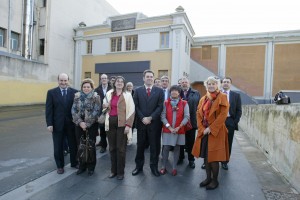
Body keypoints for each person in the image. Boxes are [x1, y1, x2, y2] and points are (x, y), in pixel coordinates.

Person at [192, 76, 229, 190]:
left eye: (213, 84)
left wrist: (211, 128)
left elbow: (223, 115)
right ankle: (208, 178)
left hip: (216, 132)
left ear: (217, 85)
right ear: (206, 85)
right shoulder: (203, 98)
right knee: (206, 157)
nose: (211, 86)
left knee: (214, 157)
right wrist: (202, 128)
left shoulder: (222, 97)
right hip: (204, 131)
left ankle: (215, 180)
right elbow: (198, 113)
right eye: (209, 84)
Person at [132, 69, 164, 177]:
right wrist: (142, 118)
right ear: (143, 78)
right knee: (140, 146)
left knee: (154, 147)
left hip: (154, 124)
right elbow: (135, 106)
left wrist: (150, 118)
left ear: (153, 78)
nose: (149, 78)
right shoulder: (137, 91)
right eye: (147, 77)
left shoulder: (159, 91)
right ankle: (138, 167)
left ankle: (154, 167)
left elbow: (160, 107)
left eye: (151, 77)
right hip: (141, 124)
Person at [45, 73, 78, 174]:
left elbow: (78, 109)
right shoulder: (51, 92)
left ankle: (74, 162)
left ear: (68, 81)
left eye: (65, 80)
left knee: (73, 145)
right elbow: (49, 110)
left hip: (72, 124)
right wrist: (49, 124)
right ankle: (60, 166)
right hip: (57, 125)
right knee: (58, 146)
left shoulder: (75, 92)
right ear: (58, 80)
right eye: (61, 80)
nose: (63, 82)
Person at [103, 76, 135, 180]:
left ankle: (120, 172)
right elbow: (104, 108)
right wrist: (105, 105)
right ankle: (113, 171)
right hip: (110, 123)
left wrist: (128, 125)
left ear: (124, 84)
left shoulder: (128, 95)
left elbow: (132, 112)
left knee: (121, 149)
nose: (120, 83)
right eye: (118, 81)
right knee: (112, 148)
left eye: (122, 82)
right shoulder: (109, 93)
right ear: (114, 83)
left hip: (122, 125)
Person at [72, 78, 101, 176]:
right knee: (80, 146)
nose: (86, 88)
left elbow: (96, 111)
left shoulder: (96, 97)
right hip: (79, 125)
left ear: (92, 87)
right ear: (81, 88)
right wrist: (80, 123)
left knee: (90, 146)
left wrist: (87, 124)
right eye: (84, 87)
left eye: (88, 87)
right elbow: (73, 111)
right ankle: (82, 166)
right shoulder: (77, 96)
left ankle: (91, 167)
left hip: (91, 125)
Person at [160, 85, 190, 176]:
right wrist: (169, 127)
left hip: (179, 130)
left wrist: (179, 127)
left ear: (179, 92)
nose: (174, 92)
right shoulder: (165, 103)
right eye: (172, 90)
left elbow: (187, 116)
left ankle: (174, 168)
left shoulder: (184, 103)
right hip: (167, 130)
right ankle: (163, 166)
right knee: (166, 148)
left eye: (176, 91)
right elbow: (163, 116)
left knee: (177, 148)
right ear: (170, 92)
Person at [178, 77, 200, 169]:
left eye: (186, 82)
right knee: (180, 141)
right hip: (179, 122)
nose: (184, 84)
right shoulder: (177, 92)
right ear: (180, 84)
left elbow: (199, 107)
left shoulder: (196, 93)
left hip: (192, 121)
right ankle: (180, 157)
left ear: (189, 83)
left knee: (191, 142)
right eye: (182, 82)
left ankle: (191, 160)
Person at [220, 77, 242, 170]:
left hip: (230, 121)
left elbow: (239, 110)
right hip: (218, 122)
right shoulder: (217, 94)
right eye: (224, 82)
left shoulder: (236, 96)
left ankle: (225, 161)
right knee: (216, 142)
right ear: (221, 84)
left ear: (230, 84)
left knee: (228, 142)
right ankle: (213, 160)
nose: (225, 83)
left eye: (227, 82)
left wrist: (234, 122)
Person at [95, 74, 112, 153]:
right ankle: (103, 146)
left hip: (111, 112)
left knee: (111, 131)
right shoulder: (96, 90)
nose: (104, 79)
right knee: (102, 131)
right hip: (101, 113)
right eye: (102, 78)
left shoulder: (112, 89)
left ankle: (112, 146)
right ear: (100, 80)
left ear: (108, 79)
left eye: (105, 78)